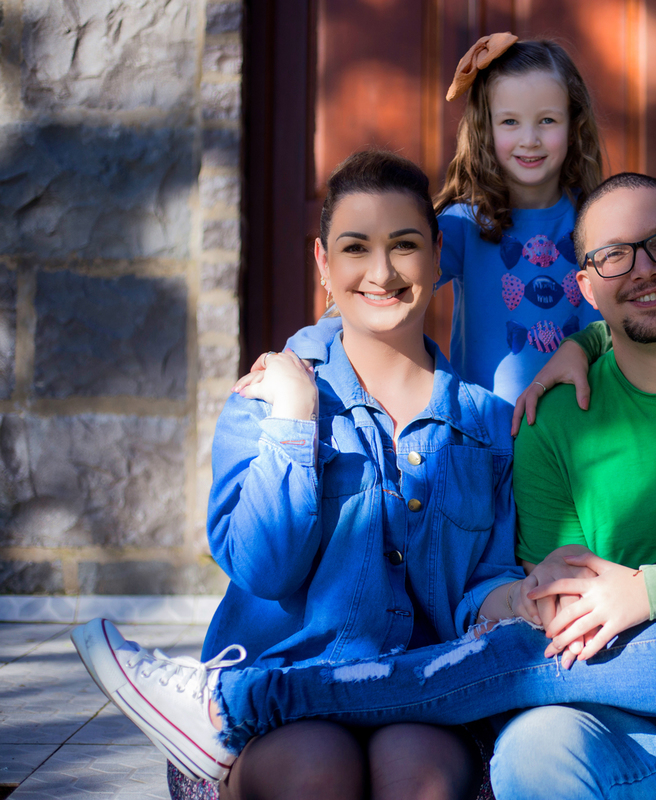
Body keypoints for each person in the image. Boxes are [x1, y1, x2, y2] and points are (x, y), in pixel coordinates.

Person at [73, 116, 656, 800]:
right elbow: (465, 577)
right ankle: (255, 708)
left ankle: (239, 703)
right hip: (655, 689)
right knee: (518, 726)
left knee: (519, 675)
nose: (643, 270)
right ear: (585, 287)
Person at [73, 150, 539, 800]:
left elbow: (484, 581)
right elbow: (264, 568)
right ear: (323, 263)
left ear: (438, 258)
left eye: (404, 246)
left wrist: (513, 601)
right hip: (284, 689)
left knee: (421, 777)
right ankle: (221, 720)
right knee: (316, 773)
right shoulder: (271, 397)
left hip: (426, 689)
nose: (381, 272)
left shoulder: (487, 424)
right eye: (356, 248)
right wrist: (297, 422)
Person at [302, 34, 656, 403]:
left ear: (574, 126)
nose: (529, 140)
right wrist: (304, 353)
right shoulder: (462, 226)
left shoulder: (601, 223)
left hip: (587, 431)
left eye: (547, 120)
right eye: (510, 122)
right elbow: (372, 293)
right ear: (486, 128)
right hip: (490, 446)